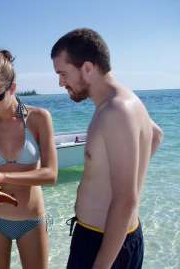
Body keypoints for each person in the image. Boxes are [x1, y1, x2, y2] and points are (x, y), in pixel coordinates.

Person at [51, 28, 163, 268]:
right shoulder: (126, 101)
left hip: (104, 244)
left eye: (63, 73)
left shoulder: (116, 111)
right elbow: (155, 135)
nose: (61, 82)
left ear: (88, 68)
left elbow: (126, 201)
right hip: (111, 238)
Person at [0, 49, 58, 269]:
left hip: (31, 221)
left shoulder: (39, 118)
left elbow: (51, 175)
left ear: (12, 88)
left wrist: (2, 176)